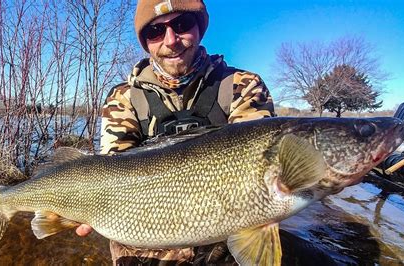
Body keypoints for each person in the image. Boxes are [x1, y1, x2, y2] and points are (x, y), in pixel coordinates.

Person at [76, 0, 275, 264]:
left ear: (199, 28)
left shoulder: (243, 85)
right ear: (145, 41)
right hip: (143, 249)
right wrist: (81, 204)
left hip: (222, 245)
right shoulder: (123, 97)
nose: (171, 40)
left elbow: (262, 167)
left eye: (181, 25)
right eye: (155, 32)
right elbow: (113, 170)